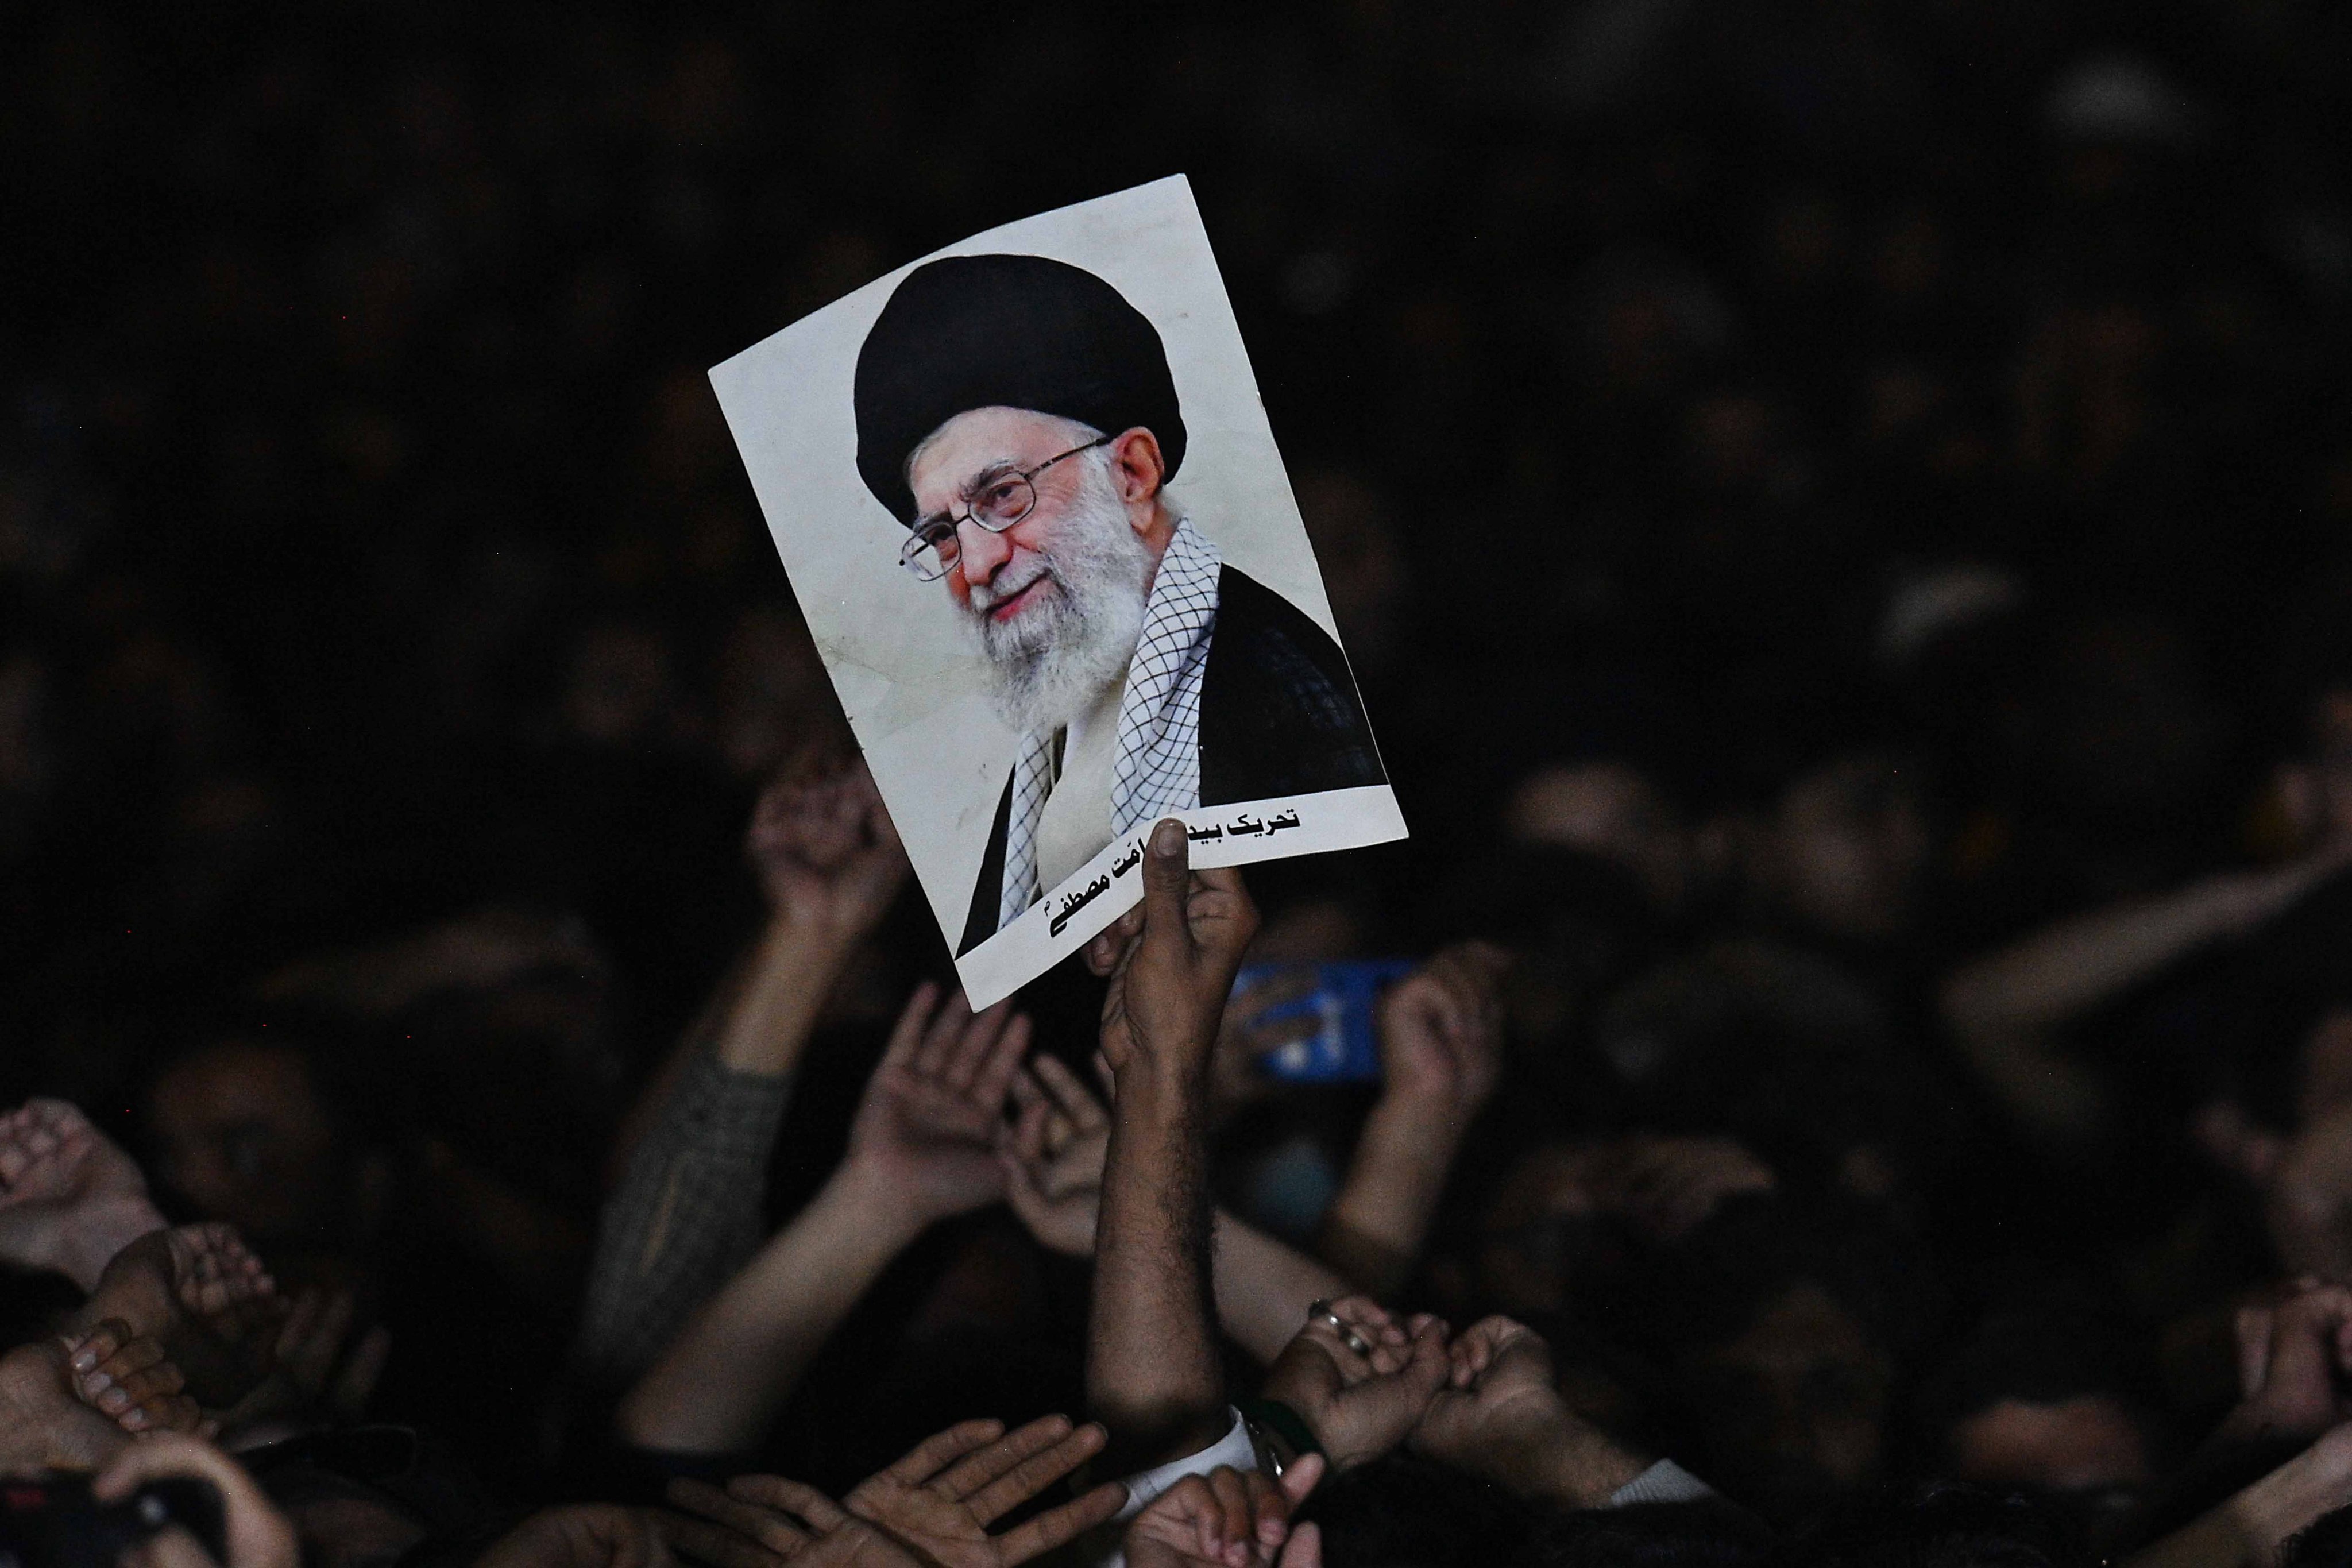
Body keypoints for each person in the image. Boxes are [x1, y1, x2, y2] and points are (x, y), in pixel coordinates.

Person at [851, 254, 1385, 953]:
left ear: (1132, 474)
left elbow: (1328, 921)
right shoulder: (1065, 719)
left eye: (1003, 495)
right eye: (943, 535)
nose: (977, 564)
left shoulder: (1272, 673)